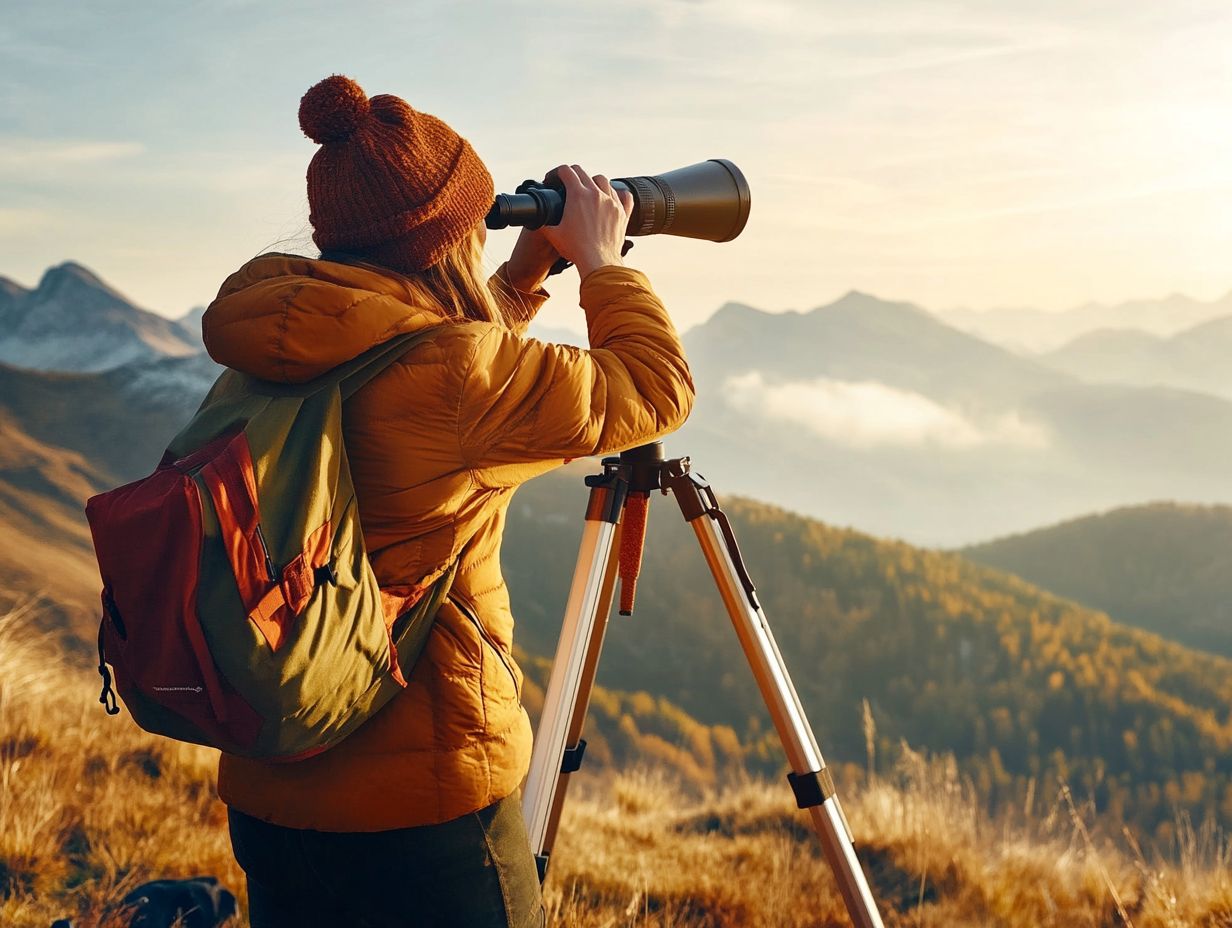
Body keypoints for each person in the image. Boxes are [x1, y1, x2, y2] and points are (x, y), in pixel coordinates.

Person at [200, 75, 695, 927]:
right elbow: (654, 387)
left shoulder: (278, 340)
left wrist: (522, 277)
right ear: (451, 232)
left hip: (273, 786)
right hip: (423, 811)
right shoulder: (460, 377)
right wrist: (601, 263)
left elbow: (416, 360)